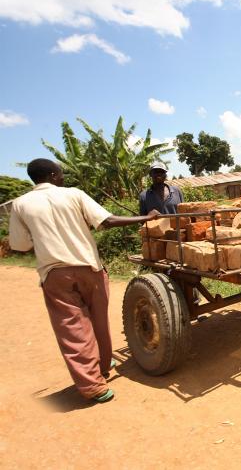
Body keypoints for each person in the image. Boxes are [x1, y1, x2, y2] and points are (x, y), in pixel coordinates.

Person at [9, 158, 160, 403]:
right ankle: (101, 365)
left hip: (56, 273)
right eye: (60, 173)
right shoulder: (73, 195)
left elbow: (21, 245)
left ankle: (93, 386)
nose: (63, 177)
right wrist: (146, 218)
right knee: (98, 319)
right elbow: (107, 221)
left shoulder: (21, 204)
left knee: (73, 327)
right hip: (90, 268)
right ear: (52, 175)